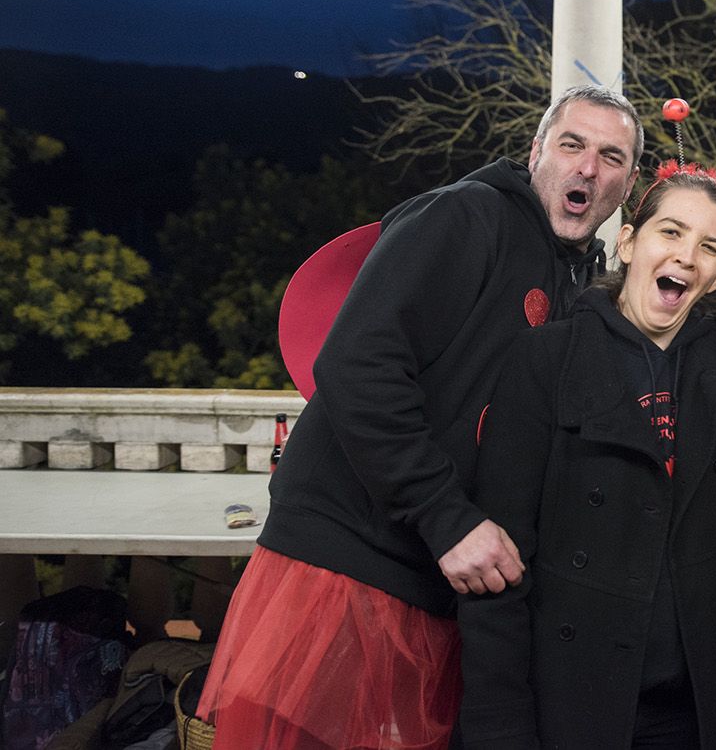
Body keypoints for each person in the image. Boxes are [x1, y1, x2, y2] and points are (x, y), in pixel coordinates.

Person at [199, 85, 644, 750]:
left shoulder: (582, 277)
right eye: (572, 145)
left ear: (629, 184)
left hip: (431, 583)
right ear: (535, 152)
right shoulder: (463, 215)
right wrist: (446, 515)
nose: (588, 167)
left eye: (611, 157)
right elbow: (355, 365)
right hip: (345, 571)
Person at [457, 163, 716, 749]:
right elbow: (500, 562)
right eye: (671, 232)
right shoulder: (547, 360)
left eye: (708, 246)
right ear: (629, 242)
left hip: (706, 712)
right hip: (579, 708)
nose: (688, 256)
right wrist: (499, 729)